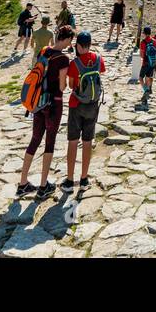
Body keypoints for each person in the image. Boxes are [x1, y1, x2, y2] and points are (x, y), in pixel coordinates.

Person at [17, 25, 74, 200]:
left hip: (38, 103)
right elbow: (62, 86)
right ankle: (43, 186)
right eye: (70, 40)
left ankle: (23, 183)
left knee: (35, 139)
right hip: (54, 104)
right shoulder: (63, 59)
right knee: (49, 143)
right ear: (65, 39)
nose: (70, 44)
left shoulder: (44, 51)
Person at [62, 31, 104, 192]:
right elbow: (101, 73)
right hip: (93, 105)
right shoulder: (98, 59)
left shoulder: (74, 64)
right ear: (90, 44)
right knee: (87, 142)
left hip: (76, 105)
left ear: (78, 46)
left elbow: (72, 86)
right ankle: (84, 178)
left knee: (73, 141)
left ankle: (70, 180)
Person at [137, 25, 156, 105]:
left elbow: (142, 55)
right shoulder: (154, 41)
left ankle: (146, 90)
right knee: (148, 78)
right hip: (152, 63)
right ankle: (147, 90)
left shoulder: (143, 42)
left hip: (145, 63)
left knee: (140, 78)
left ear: (144, 33)